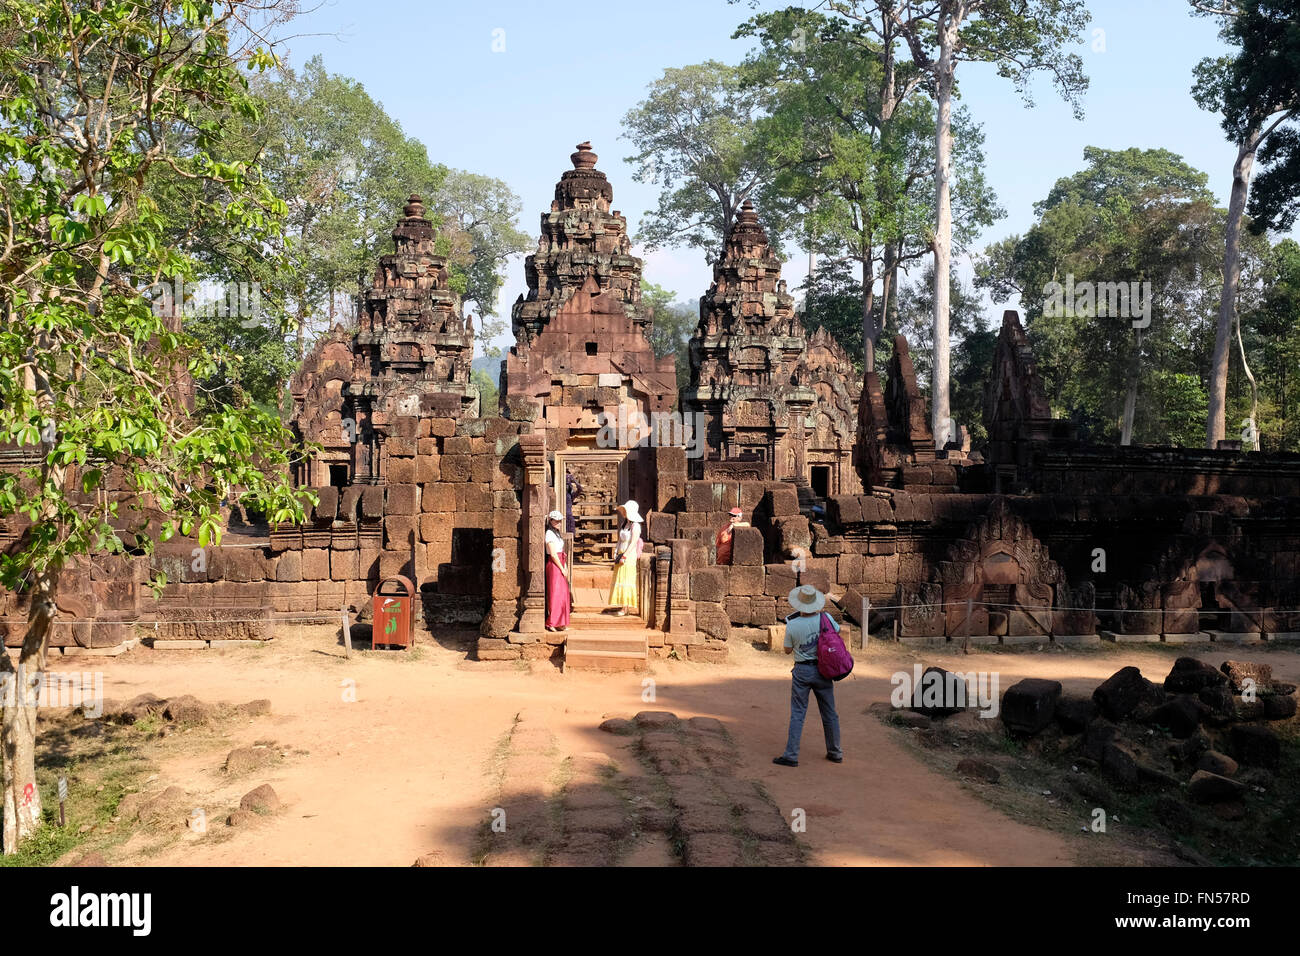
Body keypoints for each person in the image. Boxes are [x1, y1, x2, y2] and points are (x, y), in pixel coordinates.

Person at [773, 584, 843, 767]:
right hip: (824, 669)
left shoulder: (793, 625)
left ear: (799, 605)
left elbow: (787, 650)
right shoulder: (825, 617)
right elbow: (836, 632)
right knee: (829, 712)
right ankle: (835, 751)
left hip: (803, 671)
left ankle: (791, 755)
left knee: (798, 713)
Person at [608, 500, 642, 616]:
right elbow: (619, 540)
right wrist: (616, 551)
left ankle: (625, 608)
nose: (623, 513)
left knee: (627, 579)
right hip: (621, 552)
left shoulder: (635, 526)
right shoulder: (625, 524)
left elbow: (633, 542)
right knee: (620, 578)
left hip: (629, 554)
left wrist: (625, 555)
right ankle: (623, 604)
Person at [544, 510, 570, 632]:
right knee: (555, 594)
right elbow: (553, 554)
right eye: (557, 520)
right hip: (554, 565)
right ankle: (552, 622)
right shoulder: (549, 533)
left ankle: (561, 622)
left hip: (560, 562)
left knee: (563, 594)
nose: (559, 522)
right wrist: (561, 567)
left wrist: (565, 566)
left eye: (560, 520)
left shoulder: (557, 533)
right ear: (551, 521)